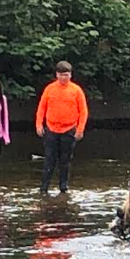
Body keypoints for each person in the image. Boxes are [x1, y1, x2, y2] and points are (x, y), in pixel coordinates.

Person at [34, 61, 89, 195]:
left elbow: (83, 111)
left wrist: (80, 129)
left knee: (65, 160)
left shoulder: (76, 90)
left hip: (69, 129)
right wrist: (39, 124)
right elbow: (41, 107)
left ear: (70, 75)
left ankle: (63, 187)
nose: (64, 78)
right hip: (51, 129)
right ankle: (44, 188)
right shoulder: (50, 89)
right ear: (56, 75)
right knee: (49, 159)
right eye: (61, 75)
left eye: (66, 75)